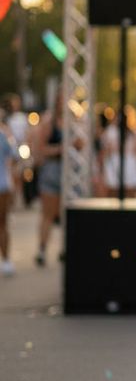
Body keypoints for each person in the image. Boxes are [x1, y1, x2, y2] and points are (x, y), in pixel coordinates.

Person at [32, 91, 65, 265]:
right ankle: (42, 249)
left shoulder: (74, 121)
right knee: (48, 214)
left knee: (64, 213)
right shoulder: (48, 122)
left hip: (68, 173)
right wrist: (60, 149)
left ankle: (64, 249)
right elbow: (40, 149)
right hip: (52, 170)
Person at [98, 106, 136, 198]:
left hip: (127, 162)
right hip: (118, 162)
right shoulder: (112, 131)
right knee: (115, 189)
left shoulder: (135, 132)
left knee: (128, 189)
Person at [0, 109, 18, 274]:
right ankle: (5, 260)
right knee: (2, 224)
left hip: (3, 185)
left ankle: (6, 260)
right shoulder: (4, 134)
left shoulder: (3, 135)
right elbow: (13, 157)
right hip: (3, 185)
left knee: (3, 223)